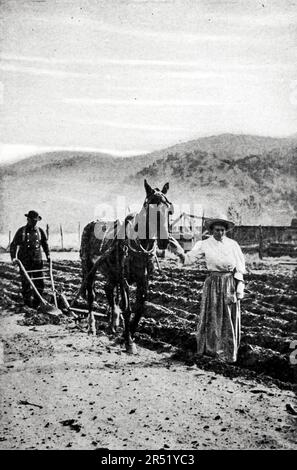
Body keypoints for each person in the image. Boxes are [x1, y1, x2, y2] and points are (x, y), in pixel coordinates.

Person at [171, 216, 246, 363]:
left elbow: (240, 268)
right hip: (213, 284)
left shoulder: (233, 244)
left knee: (228, 317)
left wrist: (239, 288)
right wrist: (179, 251)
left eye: (223, 230)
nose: (220, 232)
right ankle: (211, 350)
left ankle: (228, 353)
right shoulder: (204, 244)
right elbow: (188, 259)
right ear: (211, 230)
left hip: (229, 283)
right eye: (217, 230)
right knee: (212, 317)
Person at [10, 210, 51, 309]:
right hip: (25, 261)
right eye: (32, 220)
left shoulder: (40, 231)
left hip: (37, 260)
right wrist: (14, 258)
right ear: (28, 219)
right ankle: (28, 304)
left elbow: (45, 244)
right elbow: (13, 245)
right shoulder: (22, 231)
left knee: (39, 282)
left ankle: (37, 303)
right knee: (26, 283)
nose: (34, 222)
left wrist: (48, 255)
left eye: (36, 221)